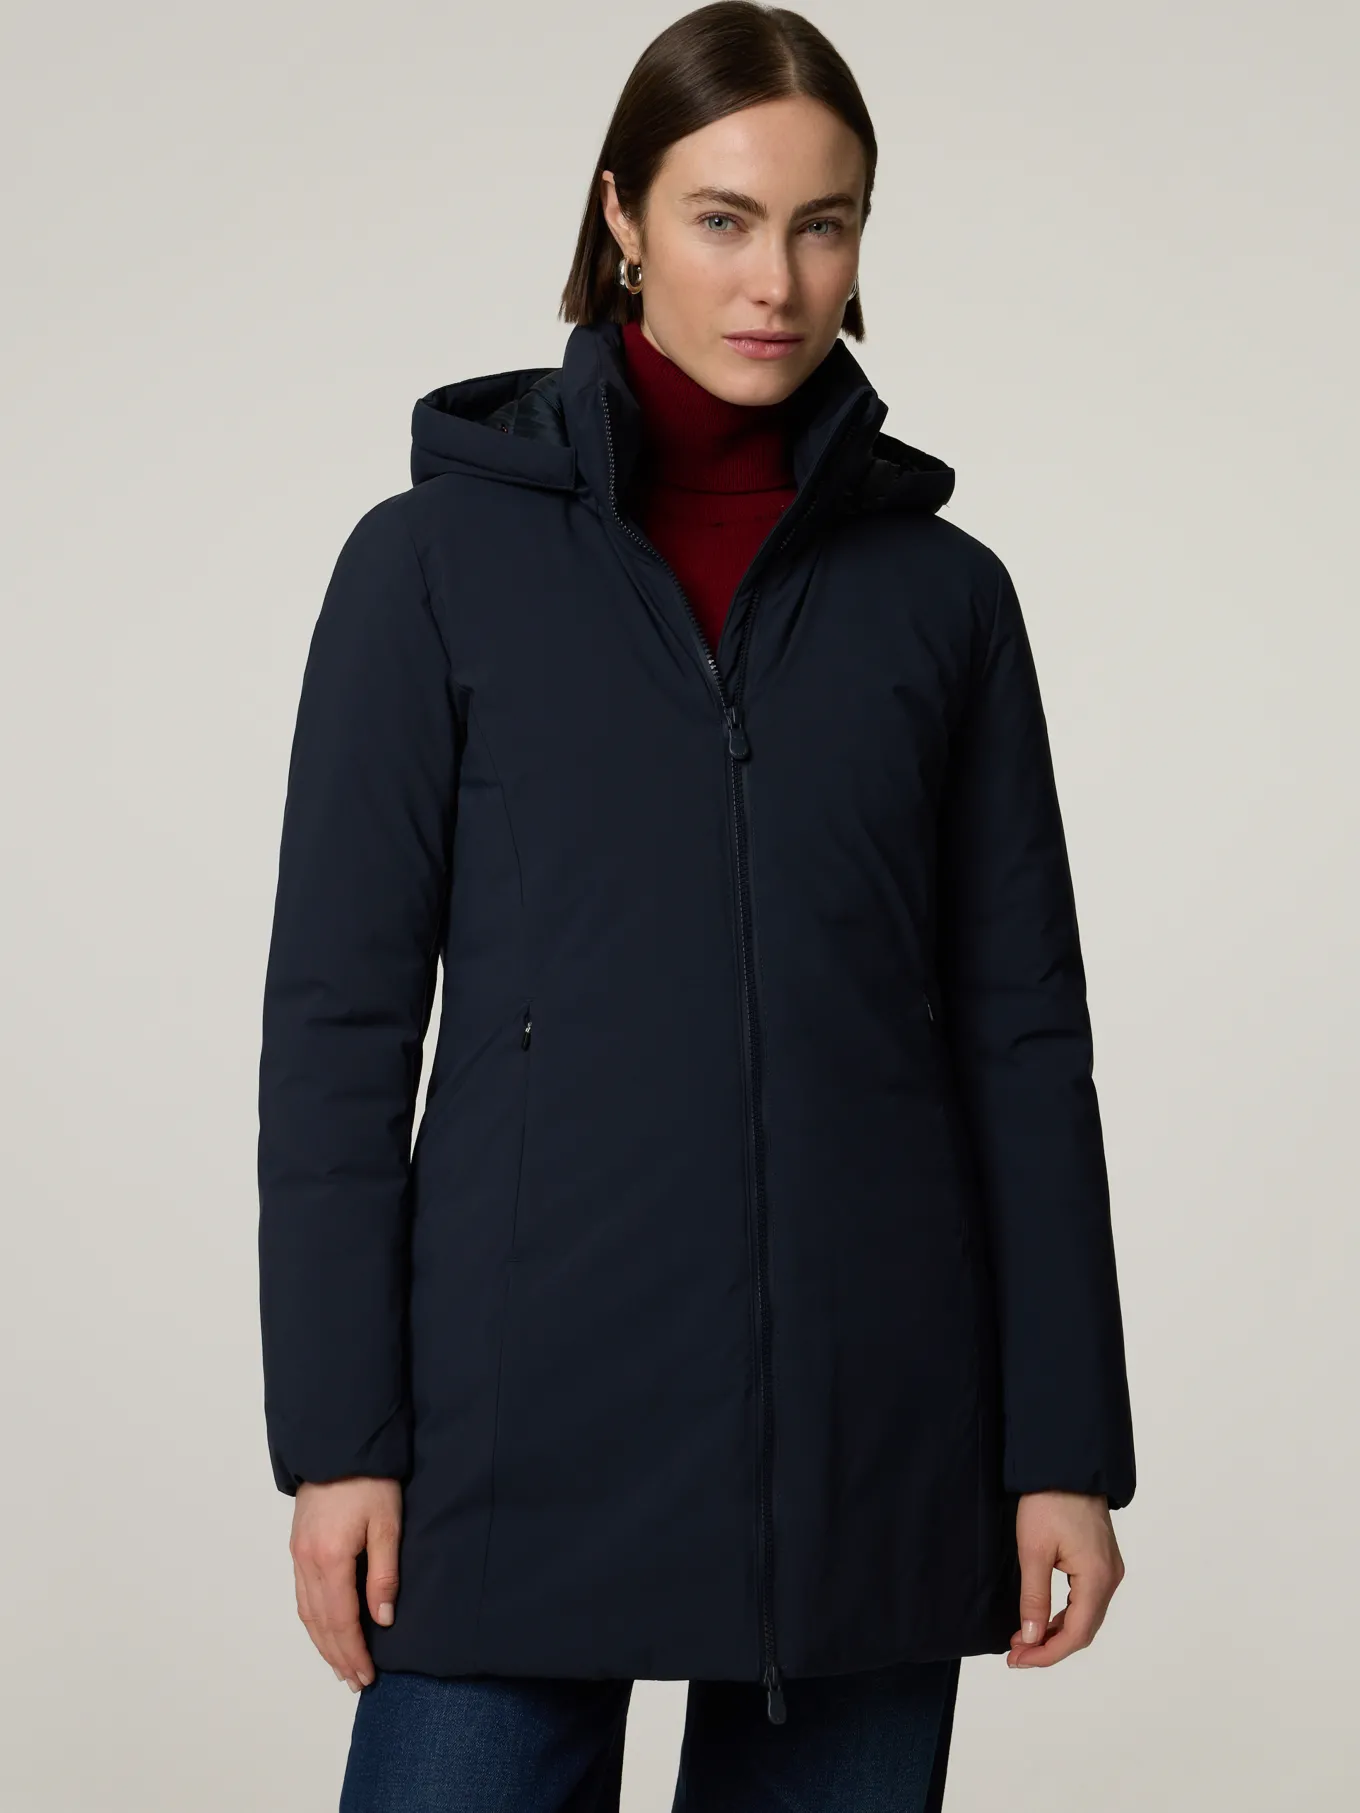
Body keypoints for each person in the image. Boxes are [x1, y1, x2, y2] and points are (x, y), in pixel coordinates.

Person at [256, 4, 1136, 1807]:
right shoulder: (431, 568)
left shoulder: (943, 599)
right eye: (724, 217)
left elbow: (1023, 1039)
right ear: (622, 218)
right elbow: (338, 1026)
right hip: (518, 1416)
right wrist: (339, 1439)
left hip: (872, 1423)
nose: (776, 280)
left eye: (825, 224)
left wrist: (1064, 1446)